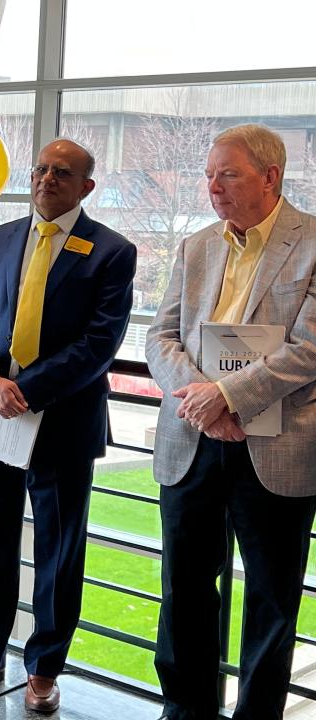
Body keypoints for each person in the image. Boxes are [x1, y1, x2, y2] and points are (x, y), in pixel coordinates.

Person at [0, 139, 136, 712]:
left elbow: (99, 345)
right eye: (41, 169)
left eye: (62, 172)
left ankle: (45, 668)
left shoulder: (112, 251)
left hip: (62, 422)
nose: (47, 179)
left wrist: (25, 389)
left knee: (59, 552)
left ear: (86, 187)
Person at [146, 124, 316, 720]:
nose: (212, 186)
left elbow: (310, 348)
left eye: (228, 174)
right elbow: (159, 335)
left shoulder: (315, 241)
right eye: (210, 174)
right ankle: (186, 709)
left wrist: (225, 394)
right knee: (184, 588)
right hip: (193, 440)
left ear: (270, 177)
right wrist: (200, 401)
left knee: (271, 598)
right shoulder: (196, 246)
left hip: (276, 447)